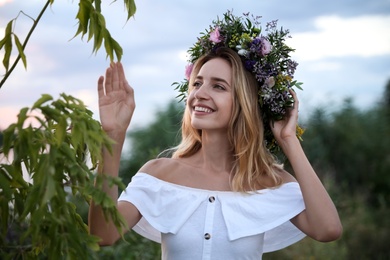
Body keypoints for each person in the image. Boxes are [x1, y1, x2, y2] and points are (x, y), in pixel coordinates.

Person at [89, 11, 342, 259]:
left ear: (245, 102)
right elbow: (103, 235)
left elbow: (327, 229)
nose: (199, 93)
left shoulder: (270, 182)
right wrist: (113, 135)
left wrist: (288, 140)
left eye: (218, 86)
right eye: (197, 83)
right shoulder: (158, 175)